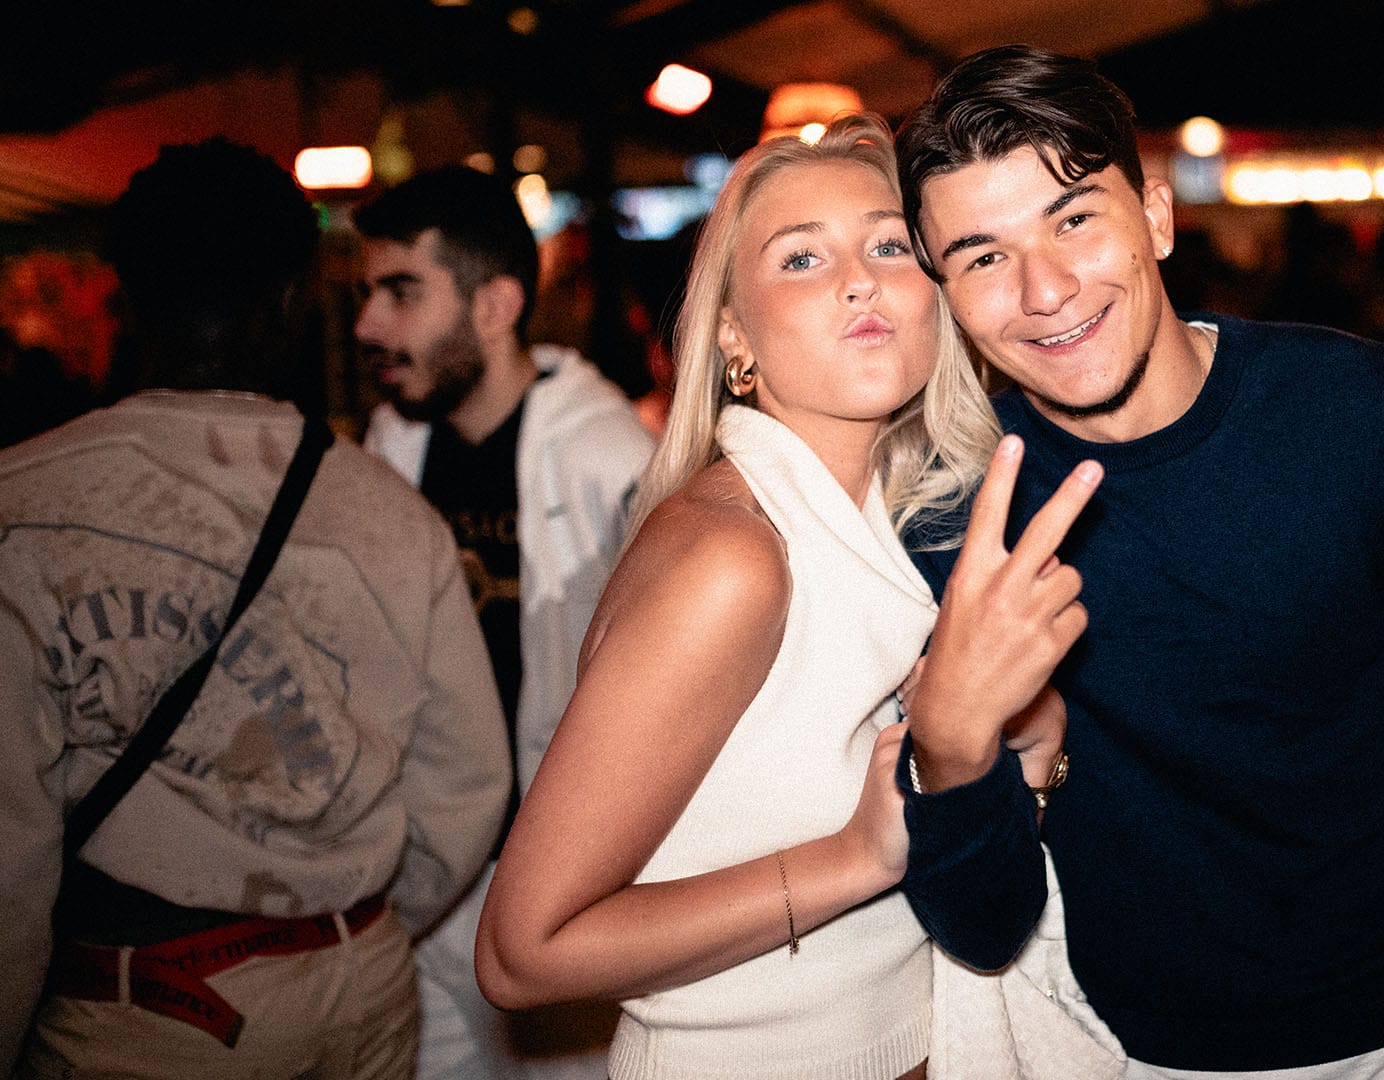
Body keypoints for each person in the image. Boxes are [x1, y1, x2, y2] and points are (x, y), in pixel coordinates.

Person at [893, 46, 1384, 1080]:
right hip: (1128, 1055)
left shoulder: (1358, 411)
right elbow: (981, 928)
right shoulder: (954, 514)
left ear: (1156, 217)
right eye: (981, 258)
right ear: (943, 292)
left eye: (1074, 219)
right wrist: (952, 750)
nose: (1044, 289)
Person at [472, 112, 1098, 1080]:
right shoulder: (734, 555)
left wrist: (1027, 745)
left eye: (889, 247)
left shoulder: (881, 527)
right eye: (803, 258)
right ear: (734, 333)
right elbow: (523, 951)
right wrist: (857, 856)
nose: (861, 280)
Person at [0, 139, 508, 1078]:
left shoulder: (23, 507)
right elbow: (466, 782)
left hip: (144, 1004)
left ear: (125, 300)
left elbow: (9, 844)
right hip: (361, 984)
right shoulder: (395, 514)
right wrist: (347, 925)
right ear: (293, 300)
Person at [352, 165, 656, 1080]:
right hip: (424, 880)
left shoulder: (614, 462)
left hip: (569, 882)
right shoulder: (391, 446)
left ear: (496, 305)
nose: (369, 325)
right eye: (368, 295)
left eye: (402, 292)